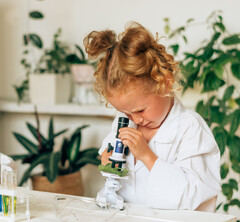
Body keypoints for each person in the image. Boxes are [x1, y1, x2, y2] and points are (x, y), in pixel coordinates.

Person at [84, 22, 220, 212]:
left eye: (140, 110)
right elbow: (119, 185)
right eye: (126, 112)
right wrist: (108, 163)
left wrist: (148, 157)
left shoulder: (189, 128)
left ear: (165, 83)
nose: (135, 119)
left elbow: (194, 197)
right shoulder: (125, 122)